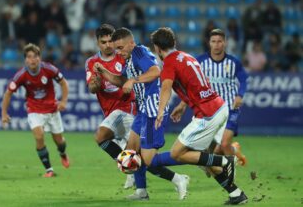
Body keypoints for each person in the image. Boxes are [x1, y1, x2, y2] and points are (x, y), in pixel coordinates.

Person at [150, 27, 248, 205]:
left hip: (208, 114)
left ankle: (225, 160)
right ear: (174, 43)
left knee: (177, 152)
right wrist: (182, 104)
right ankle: (236, 194)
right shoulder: (187, 57)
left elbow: (166, 87)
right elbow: (199, 85)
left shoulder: (169, 64)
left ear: (157, 48)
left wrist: (160, 111)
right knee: (201, 159)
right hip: (218, 107)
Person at [94, 27, 189, 200]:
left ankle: (181, 176)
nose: (118, 52)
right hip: (143, 110)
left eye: (121, 47)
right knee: (131, 153)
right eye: (116, 49)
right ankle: (141, 191)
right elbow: (120, 80)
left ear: (132, 43)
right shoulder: (129, 59)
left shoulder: (139, 53)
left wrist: (133, 80)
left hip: (153, 110)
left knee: (148, 159)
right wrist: (103, 72)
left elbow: (155, 71)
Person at [1, 43, 70, 177]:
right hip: (34, 110)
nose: (32, 60)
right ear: (25, 59)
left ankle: (63, 154)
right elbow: (8, 93)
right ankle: (49, 170)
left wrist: (63, 101)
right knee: (39, 136)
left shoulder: (49, 69)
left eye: (35, 56)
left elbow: (64, 83)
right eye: (29, 57)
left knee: (59, 141)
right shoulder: (21, 75)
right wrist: (4, 113)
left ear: (39, 58)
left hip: (52, 110)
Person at [85, 24, 136, 189]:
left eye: (110, 41)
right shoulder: (92, 62)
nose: (108, 45)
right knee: (137, 153)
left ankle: (130, 170)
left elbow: (130, 81)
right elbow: (92, 89)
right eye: (103, 42)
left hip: (127, 107)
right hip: (109, 110)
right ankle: (176, 177)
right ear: (98, 43)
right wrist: (96, 83)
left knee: (101, 137)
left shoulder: (123, 57)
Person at [197, 29, 248, 165]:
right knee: (209, 152)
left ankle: (231, 175)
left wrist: (240, 95)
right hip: (210, 110)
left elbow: (243, 80)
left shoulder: (233, 62)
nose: (217, 45)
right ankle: (235, 149)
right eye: (214, 41)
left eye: (219, 41)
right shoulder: (200, 61)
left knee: (224, 145)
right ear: (209, 43)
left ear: (224, 43)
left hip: (231, 108)